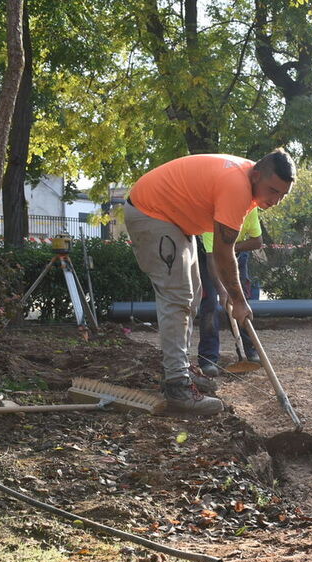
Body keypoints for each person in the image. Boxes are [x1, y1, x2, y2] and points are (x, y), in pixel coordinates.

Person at [124, 150, 295, 414]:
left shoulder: (248, 181)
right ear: (257, 175)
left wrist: (233, 296)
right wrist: (239, 301)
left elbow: (222, 250)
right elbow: (224, 253)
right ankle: (177, 387)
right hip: (152, 213)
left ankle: (178, 370)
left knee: (193, 295)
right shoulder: (236, 186)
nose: (276, 200)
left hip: (175, 221)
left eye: (283, 195)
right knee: (177, 297)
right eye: (273, 191)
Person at [196, 208, 262, 377]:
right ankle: (208, 358)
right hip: (208, 258)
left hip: (237, 254)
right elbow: (212, 258)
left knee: (241, 300)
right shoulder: (214, 216)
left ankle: (249, 351)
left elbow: (257, 241)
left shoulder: (249, 208)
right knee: (210, 303)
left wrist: (228, 247)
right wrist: (221, 290)